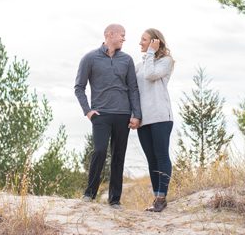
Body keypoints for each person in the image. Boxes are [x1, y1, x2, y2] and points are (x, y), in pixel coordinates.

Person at [75, 23, 142, 208]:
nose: (124, 38)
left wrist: (136, 114)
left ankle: (115, 200)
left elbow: (133, 89)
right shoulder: (89, 58)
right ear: (109, 34)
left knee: (118, 156)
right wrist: (87, 111)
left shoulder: (127, 60)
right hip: (101, 115)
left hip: (123, 114)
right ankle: (89, 194)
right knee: (99, 151)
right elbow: (79, 87)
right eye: (122, 35)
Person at [135, 28, 175, 213]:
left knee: (161, 156)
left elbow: (150, 75)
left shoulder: (165, 62)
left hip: (160, 116)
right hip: (144, 119)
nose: (140, 43)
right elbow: (135, 91)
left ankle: (161, 197)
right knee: (151, 159)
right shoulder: (140, 65)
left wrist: (151, 52)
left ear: (155, 42)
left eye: (144, 40)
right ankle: (156, 196)